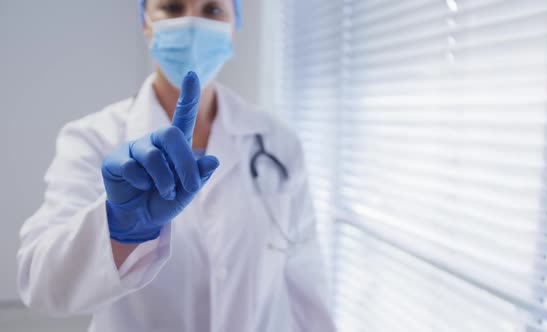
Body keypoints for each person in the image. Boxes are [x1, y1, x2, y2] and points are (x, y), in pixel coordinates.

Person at [16, 1, 336, 331]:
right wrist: (118, 228)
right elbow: (39, 284)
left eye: (212, 10)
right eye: (172, 7)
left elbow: (305, 282)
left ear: (234, 26)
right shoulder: (92, 139)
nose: (192, 25)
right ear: (145, 23)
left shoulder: (277, 142)